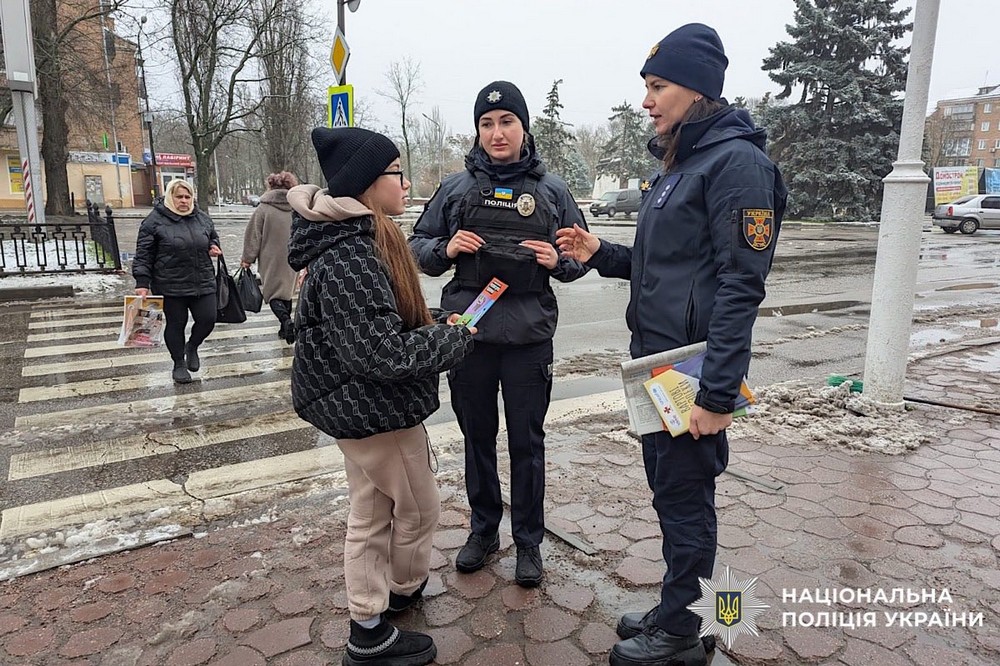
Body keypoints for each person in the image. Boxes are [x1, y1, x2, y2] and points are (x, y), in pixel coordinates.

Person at [556, 24, 786, 666]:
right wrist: (599, 252)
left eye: (658, 86)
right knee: (669, 491)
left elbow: (742, 286)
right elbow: (666, 264)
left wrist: (716, 396)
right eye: (646, 87)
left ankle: (685, 632)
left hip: (692, 373)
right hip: (659, 368)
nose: (647, 100)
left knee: (686, 499)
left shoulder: (737, 165)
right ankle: (678, 602)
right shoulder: (681, 163)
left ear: (698, 88)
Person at [287, 127, 475, 666]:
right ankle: (393, 599)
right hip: (373, 411)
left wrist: (436, 320)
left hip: (356, 407)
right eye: (397, 172)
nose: (406, 181)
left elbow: (376, 326)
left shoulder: (360, 241)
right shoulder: (353, 255)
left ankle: (369, 619)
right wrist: (453, 339)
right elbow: (380, 356)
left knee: (370, 512)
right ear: (370, 184)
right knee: (417, 509)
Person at [409, 81, 589, 587]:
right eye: (486, 124)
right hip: (469, 335)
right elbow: (418, 243)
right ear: (478, 132)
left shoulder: (551, 190)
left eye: (506, 121)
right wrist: (445, 250)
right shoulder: (457, 188)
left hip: (530, 336)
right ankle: (484, 530)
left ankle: (528, 542)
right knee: (477, 439)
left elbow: (582, 253)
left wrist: (561, 261)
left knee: (528, 443)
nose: (496, 133)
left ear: (523, 126)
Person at [133, 178, 223, 384]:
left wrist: (213, 246)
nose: (184, 200)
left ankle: (192, 346)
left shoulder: (202, 218)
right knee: (176, 323)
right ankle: (178, 364)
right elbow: (143, 253)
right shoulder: (154, 221)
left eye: (187, 196)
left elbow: (211, 236)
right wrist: (142, 282)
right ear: (170, 197)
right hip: (170, 283)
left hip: (202, 280)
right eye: (179, 196)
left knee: (208, 318)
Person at [240, 171, 299, 343]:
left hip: (270, 258)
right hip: (293, 255)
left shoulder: (264, 208)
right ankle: (284, 328)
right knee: (286, 292)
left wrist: (247, 258)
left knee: (273, 294)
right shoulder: (296, 208)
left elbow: (253, 235)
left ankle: (286, 322)